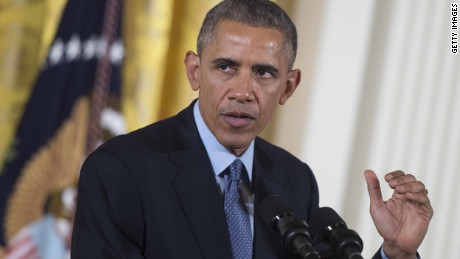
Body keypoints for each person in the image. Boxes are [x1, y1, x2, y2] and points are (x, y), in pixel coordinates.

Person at [71, 0, 433, 258]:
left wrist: (397, 253)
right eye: (226, 67)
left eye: (263, 72)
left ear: (288, 87)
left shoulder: (294, 179)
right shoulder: (121, 170)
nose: (243, 92)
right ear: (195, 72)